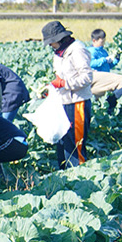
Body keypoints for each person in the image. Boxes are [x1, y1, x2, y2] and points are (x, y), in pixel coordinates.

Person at [40, 20, 93, 167]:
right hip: (63, 102)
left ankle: (80, 178)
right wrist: (52, 87)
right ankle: (65, 179)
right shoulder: (58, 53)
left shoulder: (77, 50)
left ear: (59, 39)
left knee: (75, 145)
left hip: (77, 102)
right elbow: (59, 77)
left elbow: (87, 77)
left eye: (51, 42)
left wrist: (65, 84)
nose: (50, 46)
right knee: (62, 144)